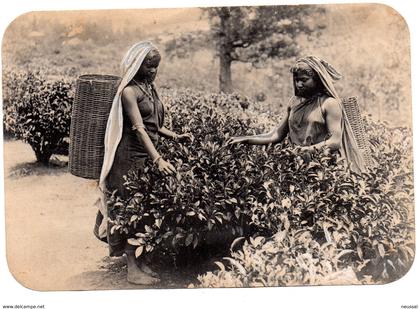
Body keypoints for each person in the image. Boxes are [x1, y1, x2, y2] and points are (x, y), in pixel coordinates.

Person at [93, 41, 190, 285]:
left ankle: (141, 260)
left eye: (156, 67)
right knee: (128, 208)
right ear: (136, 64)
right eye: (149, 66)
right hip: (128, 158)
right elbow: (138, 127)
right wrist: (158, 159)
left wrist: (175, 136)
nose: (153, 71)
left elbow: (153, 125)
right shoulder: (129, 92)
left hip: (144, 156)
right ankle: (132, 268)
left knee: (143, 208)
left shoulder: (149, 88)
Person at [229, 55, 366, 174]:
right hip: (297, 165)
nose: (299, 84)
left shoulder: (329, 104)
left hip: (323, 168)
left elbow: (334, 142)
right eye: (296, 80)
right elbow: (276, 134)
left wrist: (305, 150)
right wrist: (245, 139)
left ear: (317, 80)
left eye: (304, 80)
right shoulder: (294, 102)